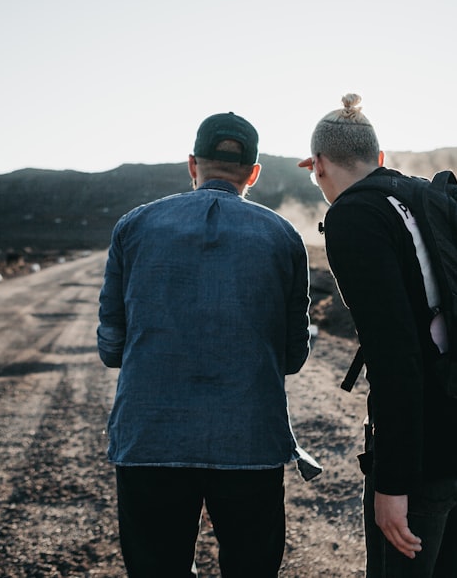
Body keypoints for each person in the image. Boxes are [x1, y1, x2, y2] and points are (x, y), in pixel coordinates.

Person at [98, 111, 312, 577]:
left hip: (150, 438)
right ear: (253, 173)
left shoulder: (133, 226)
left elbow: (111, 347)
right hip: (250, 442)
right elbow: (293, 356)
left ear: (192, 164)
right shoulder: (282, 236)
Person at [299, 94, 457, 577]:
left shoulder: (353, 218)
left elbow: (396, 358)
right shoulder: (418, 195)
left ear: (319, 165)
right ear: (380, 158)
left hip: (422, 459)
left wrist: (392, 486)